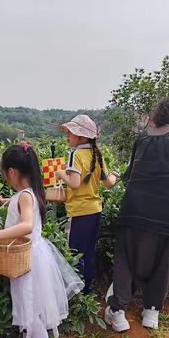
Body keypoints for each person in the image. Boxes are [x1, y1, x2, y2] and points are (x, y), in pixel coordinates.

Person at [0, 142, 83, 338]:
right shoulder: (30, 192)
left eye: (5, 173)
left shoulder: (25, 196)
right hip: (33, 258)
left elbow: (26, 224)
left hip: (29, 262)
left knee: (33, 316)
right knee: (30, 311)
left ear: (13, 172)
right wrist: (0, 201)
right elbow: (21, 206)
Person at [105, 97, 169, 331]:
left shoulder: (143, 137)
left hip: (135, 209)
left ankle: (118, 311)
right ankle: (151, 312)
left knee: (126, 258)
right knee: (164, 260)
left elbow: (131, 173)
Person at [55, 115, 119, 294]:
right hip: (95, 210)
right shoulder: (97, 155)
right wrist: (116, 174)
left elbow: (74, 183)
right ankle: (88, 289)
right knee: (89, 251)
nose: (67, 136)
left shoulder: (75, 154)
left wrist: (61, 174)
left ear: (82, 136)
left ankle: (77, 292)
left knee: (75, 252)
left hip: (79, 212)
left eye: (70, 133)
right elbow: (108, 184)